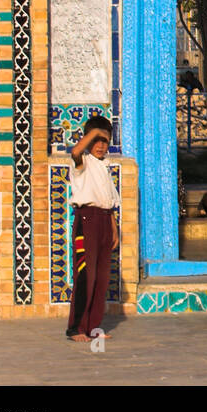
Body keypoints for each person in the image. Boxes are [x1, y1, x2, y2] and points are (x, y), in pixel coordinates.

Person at [65, 114, 120, 343]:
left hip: (104, 221)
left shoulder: (105, 167)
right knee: (86, 275)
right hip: (87, 221)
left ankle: (93, 326)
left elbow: (109, 202)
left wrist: (114, 229)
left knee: (101, 276)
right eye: (96, 140)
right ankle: (76, 328)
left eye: (105, 141)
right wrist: (93, 134)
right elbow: (76, 152)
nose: (100, 145)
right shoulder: (82, 162)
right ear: (88, 140)